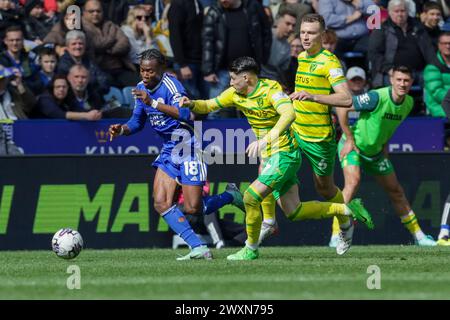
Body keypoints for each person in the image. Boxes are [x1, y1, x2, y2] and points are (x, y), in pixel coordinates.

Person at [180, 56, 374, 260]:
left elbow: (289, 114)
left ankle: (251, 248)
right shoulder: (235, 94)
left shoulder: (271, 91)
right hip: (272, 156)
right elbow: (209, 105)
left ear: (246, 78)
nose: (230, 82)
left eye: (232, 78)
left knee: (250, 197)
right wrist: (191, 103)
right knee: (294, 211)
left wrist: (265, 141)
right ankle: (346, 208)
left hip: (285, 155)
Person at [108, 49, 246, 260]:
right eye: (142, 70)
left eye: (150, 71)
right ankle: (198, 247)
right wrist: (122, 129)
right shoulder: (140, 89)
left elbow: (184, 114)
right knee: (161, 202)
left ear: (161, 69)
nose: (145, 75)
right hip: (168, 150)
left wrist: (152, 103)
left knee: (193, 208)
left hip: (189, 147)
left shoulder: (172, 85)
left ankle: (230, 195)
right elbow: (137, 122)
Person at [258, 14, 357, 252]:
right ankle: (268, 220)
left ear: (322, 36)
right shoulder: (301, 57)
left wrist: (314, 97)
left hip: (319, 138)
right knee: (267, 164)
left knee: (325, 188)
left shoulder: (330, 62)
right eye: (303, 32)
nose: (305, 36)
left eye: (311, 32)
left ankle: (345, 221)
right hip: (295, 130)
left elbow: (346, 98)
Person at [334, 65, 437, 246]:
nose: (402, 84)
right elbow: (342, 108)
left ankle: (419, 237)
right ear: (391, 80)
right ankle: (336, 235)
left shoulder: (409, 103)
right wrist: (349, 139)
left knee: (396, 191)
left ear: (412, 82)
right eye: (398, 79)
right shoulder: (376, 97)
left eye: (406, 80)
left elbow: (388, 125)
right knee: (353, 182)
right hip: (354, 147)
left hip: (376, 153)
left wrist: (385, 146)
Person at [368, 0, 436, 88]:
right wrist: (389, 69)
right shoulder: (382, 30)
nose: (400, 14)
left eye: (403, 11)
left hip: (418, 72)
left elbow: (429, 50)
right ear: (390, 12)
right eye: (396, 11)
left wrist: (432, 68)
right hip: (392, 72)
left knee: (433, 80)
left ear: (407, 12)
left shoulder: (418, 27)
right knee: (392, 86)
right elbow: (374, 54)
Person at [82, 0, 139, 88]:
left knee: (142, 86)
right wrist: (112, 40)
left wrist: (109, 50)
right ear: (84, 12)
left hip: (120, 68)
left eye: (98, 11)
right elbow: (95, 45)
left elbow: (125, 44)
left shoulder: (110, 25)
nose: (95, 14)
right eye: (91, 11)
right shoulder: (81, 28)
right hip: (100, 70)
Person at [33, 74, 102, 120]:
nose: (61, 89)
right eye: (58, 87)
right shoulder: (44, 99)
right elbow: (59, 115)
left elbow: (79, 110)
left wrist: (94, 114)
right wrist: (86, 115)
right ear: (52, 88)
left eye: (64, 87)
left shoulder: (67, 99)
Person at [260, 7, 297, 83]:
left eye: (293, 25)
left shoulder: (288, 47)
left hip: (273, 82)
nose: (291, 28)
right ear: (278, 22)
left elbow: (282, 70)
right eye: (287, 24)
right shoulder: (264, 36)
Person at [423, 32, 450, 118]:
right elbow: (437, 92)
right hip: (439, 108)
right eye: (445, 43)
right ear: (439, 45)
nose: (448, 46)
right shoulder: (432, 67)